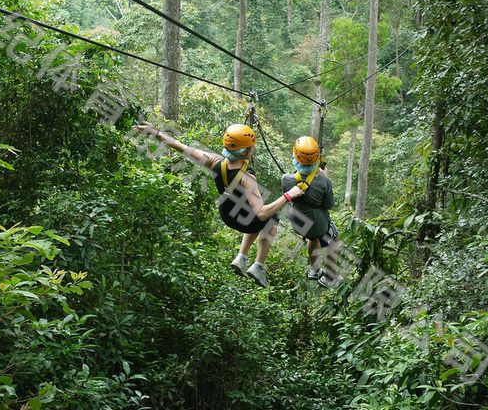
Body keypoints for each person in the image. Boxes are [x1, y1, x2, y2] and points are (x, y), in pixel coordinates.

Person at [132, 123, 305, 287]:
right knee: (271, 219)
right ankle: (258, 266)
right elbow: (260, 213)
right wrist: (289, 195)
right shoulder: (247, 179)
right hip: (244, 218)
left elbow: (182, 147)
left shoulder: (215, 162)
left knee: (258, 216)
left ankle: (241, 257)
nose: (254, 147)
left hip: (227, 213)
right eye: (252, 145)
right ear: (245, 152)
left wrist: (154, 132)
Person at [282, 136, 340, 288]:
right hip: (315, 222)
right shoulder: (323, 181)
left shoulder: (286, 179)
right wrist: (324, 178)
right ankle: (329, 277)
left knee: (312, 238)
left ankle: (314, 270)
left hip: (297, 220)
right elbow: (328, 205)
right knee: (334, 239)